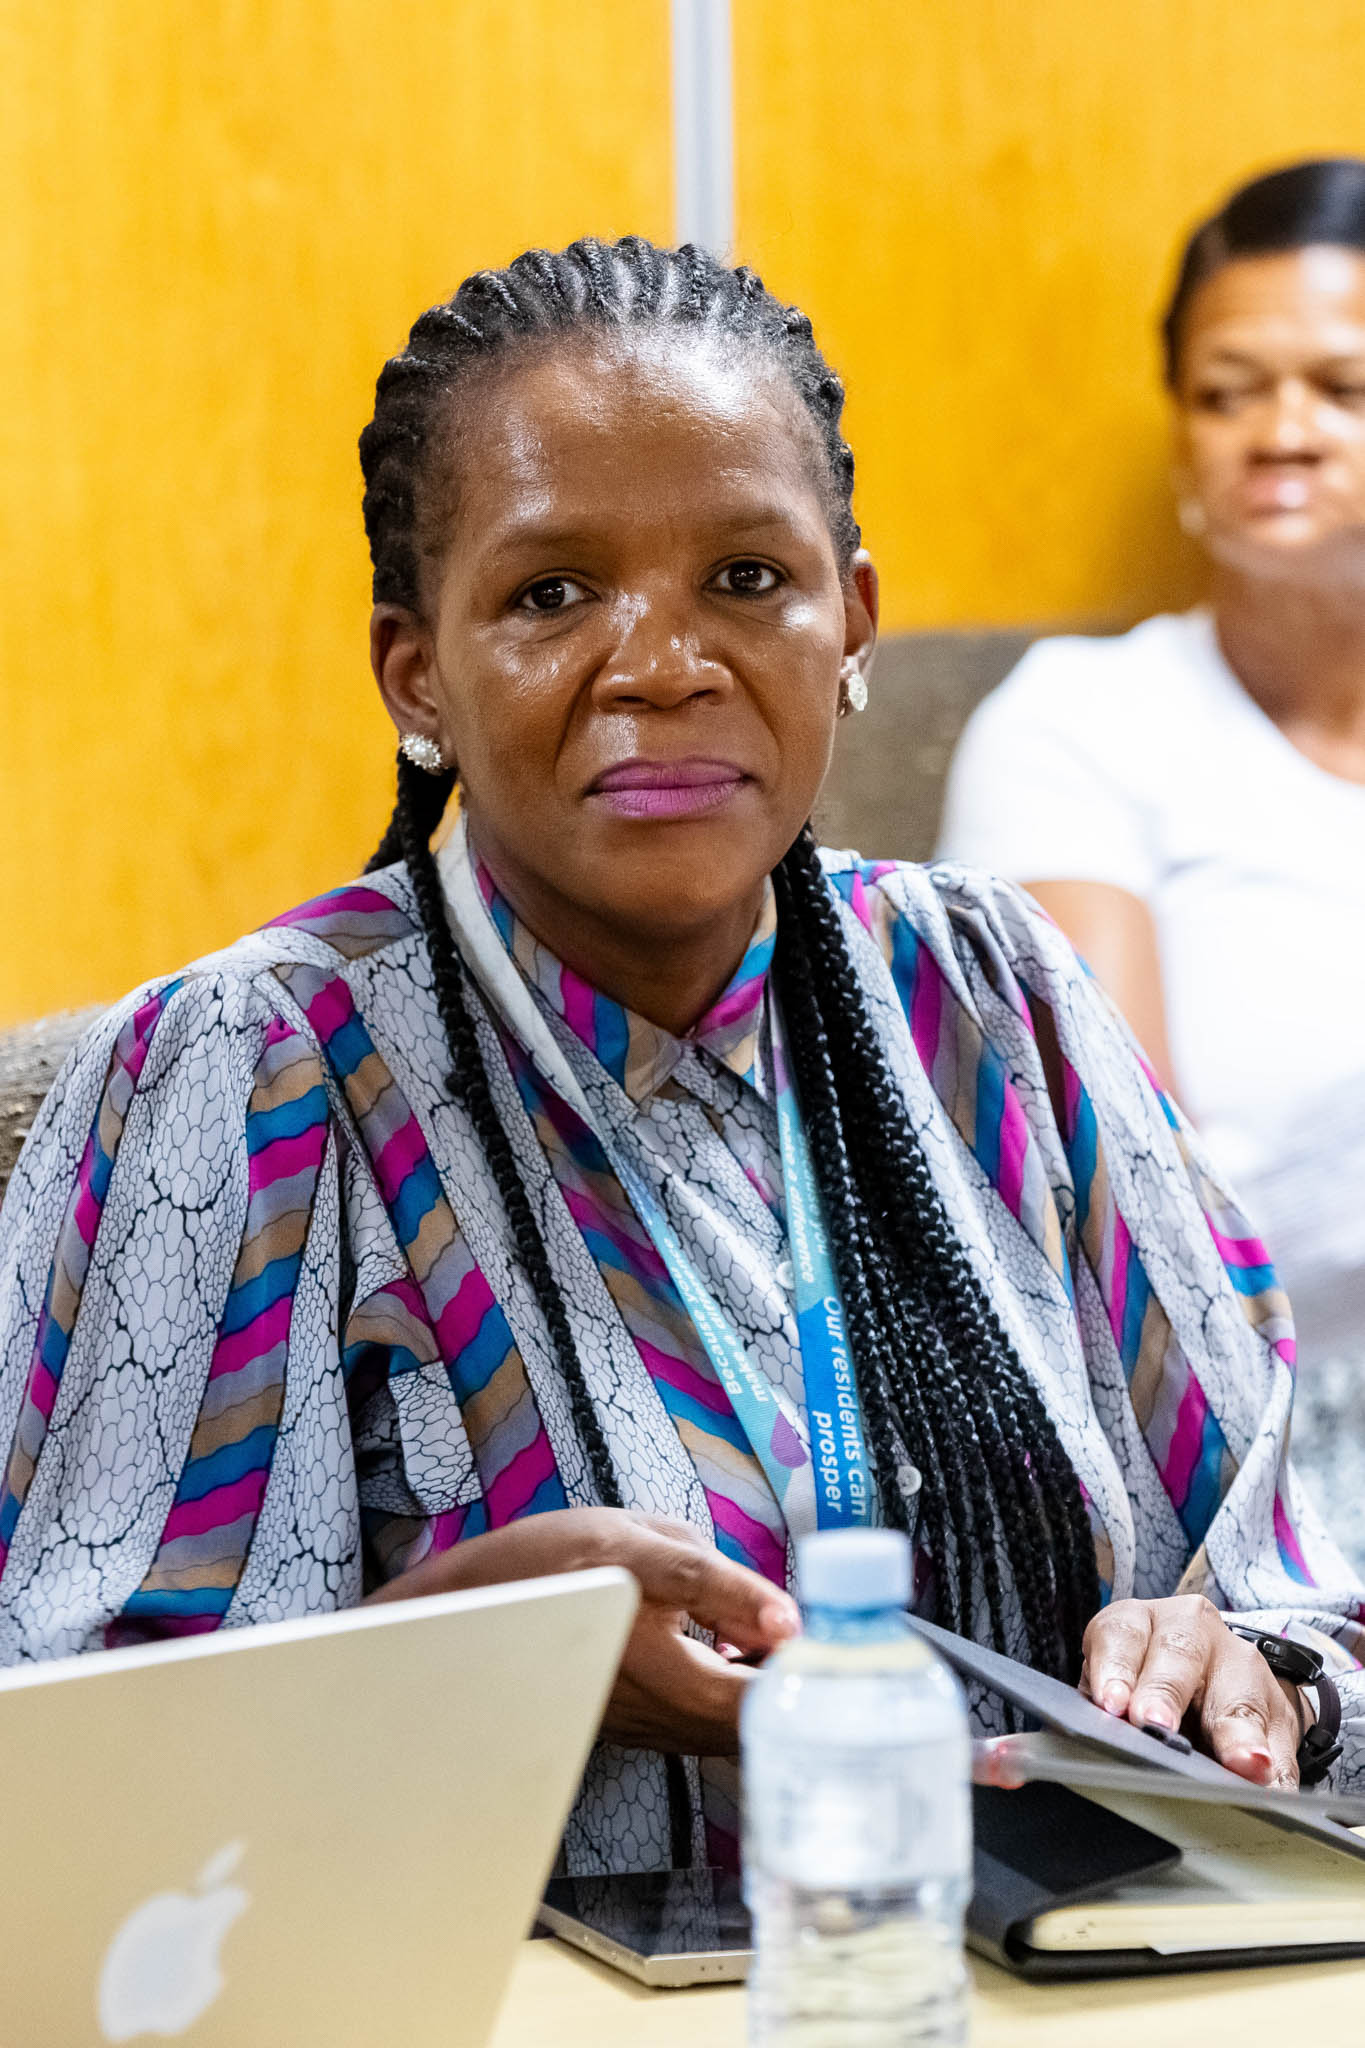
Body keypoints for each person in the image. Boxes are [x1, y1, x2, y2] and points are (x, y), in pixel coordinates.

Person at [0, 238, 1359, 1875]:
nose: (662, 665)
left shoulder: (991, 992)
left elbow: (1297, 1592)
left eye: (747, 578)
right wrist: (464, 1660)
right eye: (551, 594)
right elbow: (72, 1786)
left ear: (853, 623)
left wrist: (1255, 1669)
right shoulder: (255, 1071)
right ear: (415, 674)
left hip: (1056, 1968)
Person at [939, 160, 1365, 1557]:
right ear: (1182, 440)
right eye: (1227, 393)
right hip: (1227, 1444)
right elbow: (1128, 1209)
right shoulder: (1080, 727)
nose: (1281, 434)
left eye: (1341, 389)